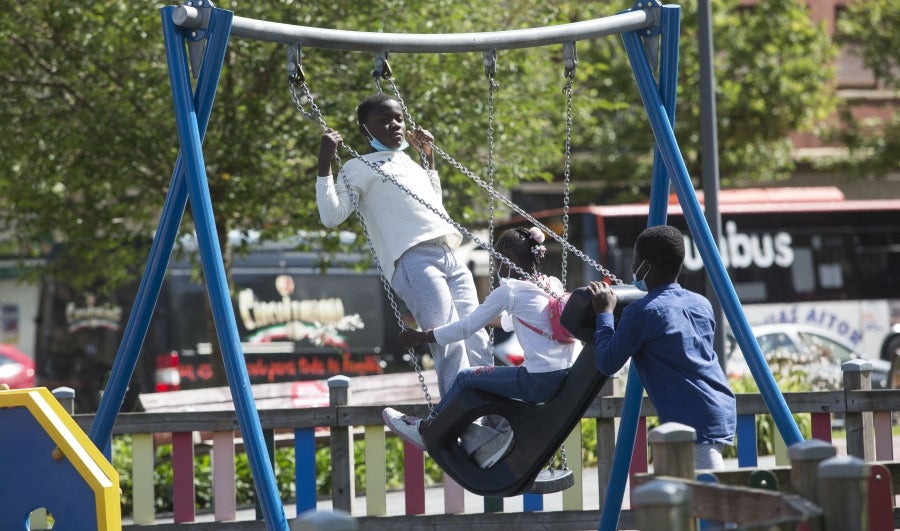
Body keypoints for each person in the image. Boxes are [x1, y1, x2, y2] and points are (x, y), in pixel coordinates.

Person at [316, 93, 503, 464]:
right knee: (448, 341)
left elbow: (434, 206)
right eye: (384, 120)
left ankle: (496, 422)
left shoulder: (409, 162)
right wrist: (325, 164)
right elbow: (331, 216)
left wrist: (429, 160)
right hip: (412, 260)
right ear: (364, 130)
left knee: (478, 337)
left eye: (398, 118)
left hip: (450, 253)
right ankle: (468, 433)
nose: (395, 125)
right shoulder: (357, 167)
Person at [382, 227, 580, 468]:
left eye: (497, 260)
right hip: (565, 376)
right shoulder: (551, 284)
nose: (496, 267)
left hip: (538, 382)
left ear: (509, 260)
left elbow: (466, 328)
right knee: (488, 378)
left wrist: (421, 337)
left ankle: (428, 428)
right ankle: (493, 434)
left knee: (465, 377)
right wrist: (482, 317)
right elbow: (511, 322)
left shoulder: (510, 291)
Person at [586, 224, 736, 470]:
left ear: (646, 266)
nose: (632, 267)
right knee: (683, 489)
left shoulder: (642, 312)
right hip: (718, 405)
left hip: (692, 418)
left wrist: (604, 314)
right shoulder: (701, 303)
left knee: (707, 491)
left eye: (635, 260)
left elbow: (607, 362)